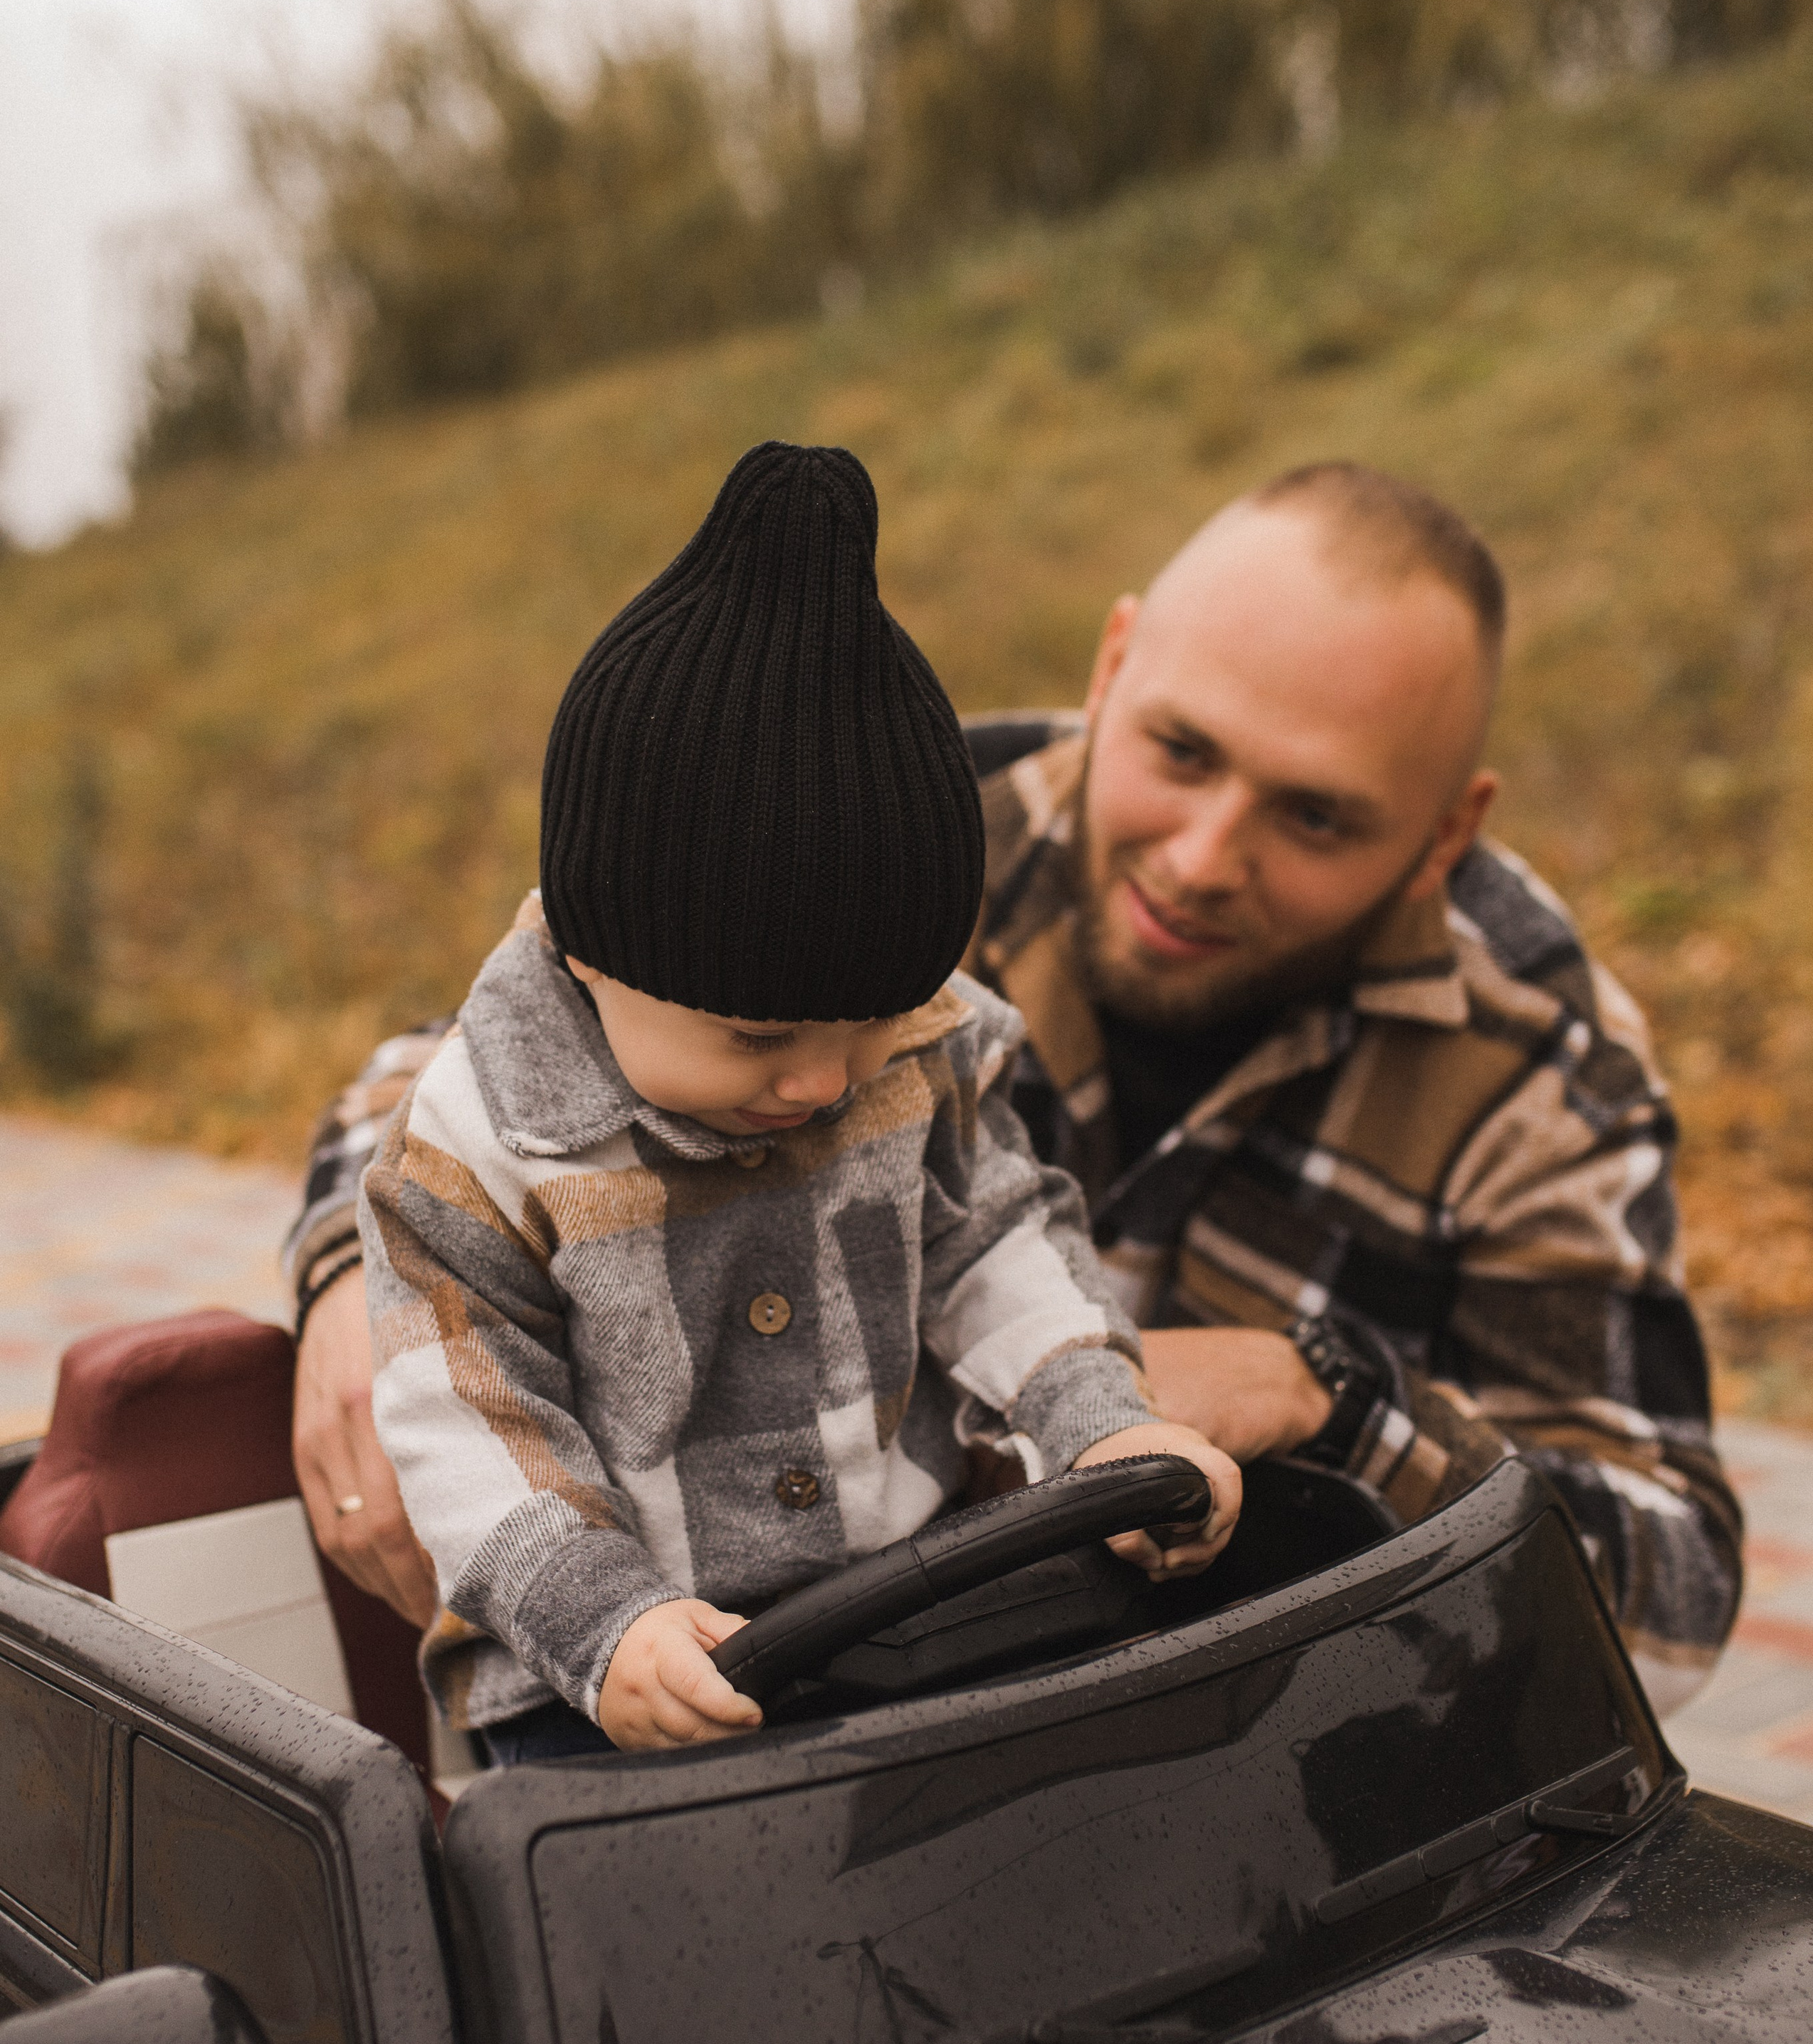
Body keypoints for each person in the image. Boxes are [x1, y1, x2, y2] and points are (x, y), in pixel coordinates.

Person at [290, 457, 1741, 1714]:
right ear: (1112, 667)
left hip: (1282, 1739)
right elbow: (489, 1041)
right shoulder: (902, 823)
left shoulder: (1543, 1074)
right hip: (821, 1670)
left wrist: (1331, 1405)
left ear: (1443, 832)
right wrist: (371, 1276)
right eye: (1179, 751)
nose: (1198, 857)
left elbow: (1673, 1605)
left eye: (1313, 816)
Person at [354, 443, 1237, 1761]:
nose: (824, 1081)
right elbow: (470, 1425)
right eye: (759, 1036)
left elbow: (998, 1245)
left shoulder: (921, 1062)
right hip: (607, 1687)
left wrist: (1107, 1426)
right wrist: (606, 1624)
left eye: (873, 1023)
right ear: (595, 956)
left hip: (910, 1604)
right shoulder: (484, 1150)